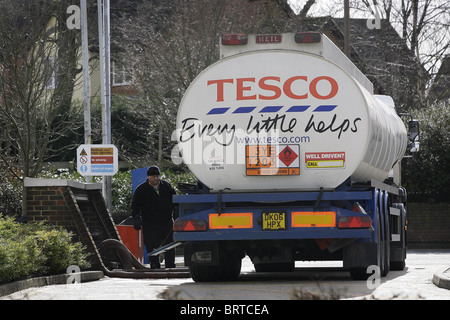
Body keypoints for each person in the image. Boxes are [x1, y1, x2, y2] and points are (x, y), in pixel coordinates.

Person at [131, 166, 177, 269]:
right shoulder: (141, 189)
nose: (156, 178)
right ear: (148, 177)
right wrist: (136, 217)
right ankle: (155, 266)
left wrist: (177, 215)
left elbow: (175, 201)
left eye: (157, 176)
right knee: (152, 246)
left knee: (169, 246)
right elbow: (135, 206)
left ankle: (170, 266)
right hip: (150, 224)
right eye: (153, 176)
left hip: (166, 222)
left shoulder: (166, 186)